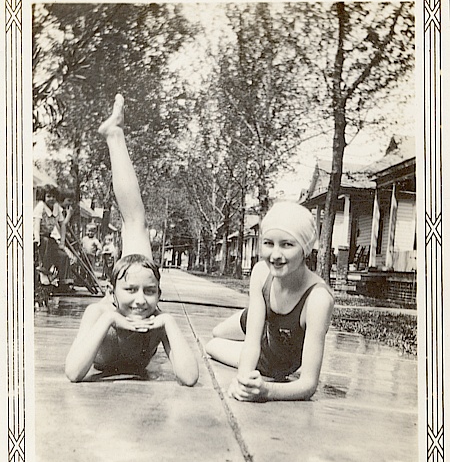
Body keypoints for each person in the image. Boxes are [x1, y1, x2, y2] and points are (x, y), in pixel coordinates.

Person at [65, 94, 199, 387]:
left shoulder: (155, 316)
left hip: (129, 283)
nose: (141, 300)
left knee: (137, 226)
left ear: (159, 295)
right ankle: (114, 134)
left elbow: (189, 377)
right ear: (112, 294)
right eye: (130, 291)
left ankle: (115, 134)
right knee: (135, 222)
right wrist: (109, 320)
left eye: (151, 292)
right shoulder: (99, 312)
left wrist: (169, 322)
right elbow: (74, 372)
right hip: (112, 305)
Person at [205, 200, 334, 401]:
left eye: (287, 244)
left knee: (212, 345)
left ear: (305, 249)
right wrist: (242, 380)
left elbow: (308, 384)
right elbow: (251, 343)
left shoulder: (317, 300)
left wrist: (265, 390)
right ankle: (261, 316)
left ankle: (264, 319)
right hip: (260, 320)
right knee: (217, 331)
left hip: (274, 357)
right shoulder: (261, 272)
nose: (275, 255)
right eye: (268, 243)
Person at [33, 186, 74, 291]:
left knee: (63, 255)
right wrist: (36, 238)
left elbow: (62, 225)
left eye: (53, 196)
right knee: (45, 243)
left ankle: (63, 282)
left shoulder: (56, 208)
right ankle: (44, 273)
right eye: (48, 196)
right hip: (38, 235)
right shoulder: (41, 207)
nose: (51, 199)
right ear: (44, 197)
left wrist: (62, 242)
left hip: (49, 236)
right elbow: (36, 224)